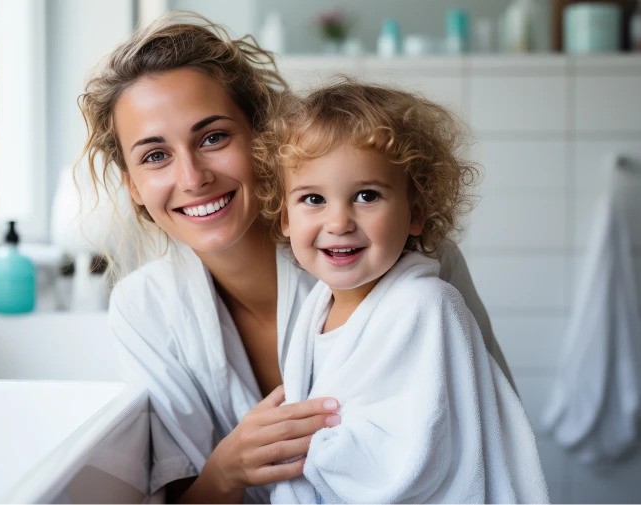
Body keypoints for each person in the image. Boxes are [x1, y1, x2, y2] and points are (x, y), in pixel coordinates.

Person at [79, 13, 517, 503]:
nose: (192, 177)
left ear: (262, 141)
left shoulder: (398, 264)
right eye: (155, 156)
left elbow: (487, 439)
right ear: (133, 186)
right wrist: (227, 469)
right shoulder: (144, 309)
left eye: (213, 137)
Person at [256, 81, 549, 503]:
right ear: (285, 217)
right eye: (314, 199)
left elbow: (416, 458)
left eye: (366, 195)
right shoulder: (316, 307)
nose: (338, 222)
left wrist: (300, 445)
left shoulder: (427, 307)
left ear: (416, 212)